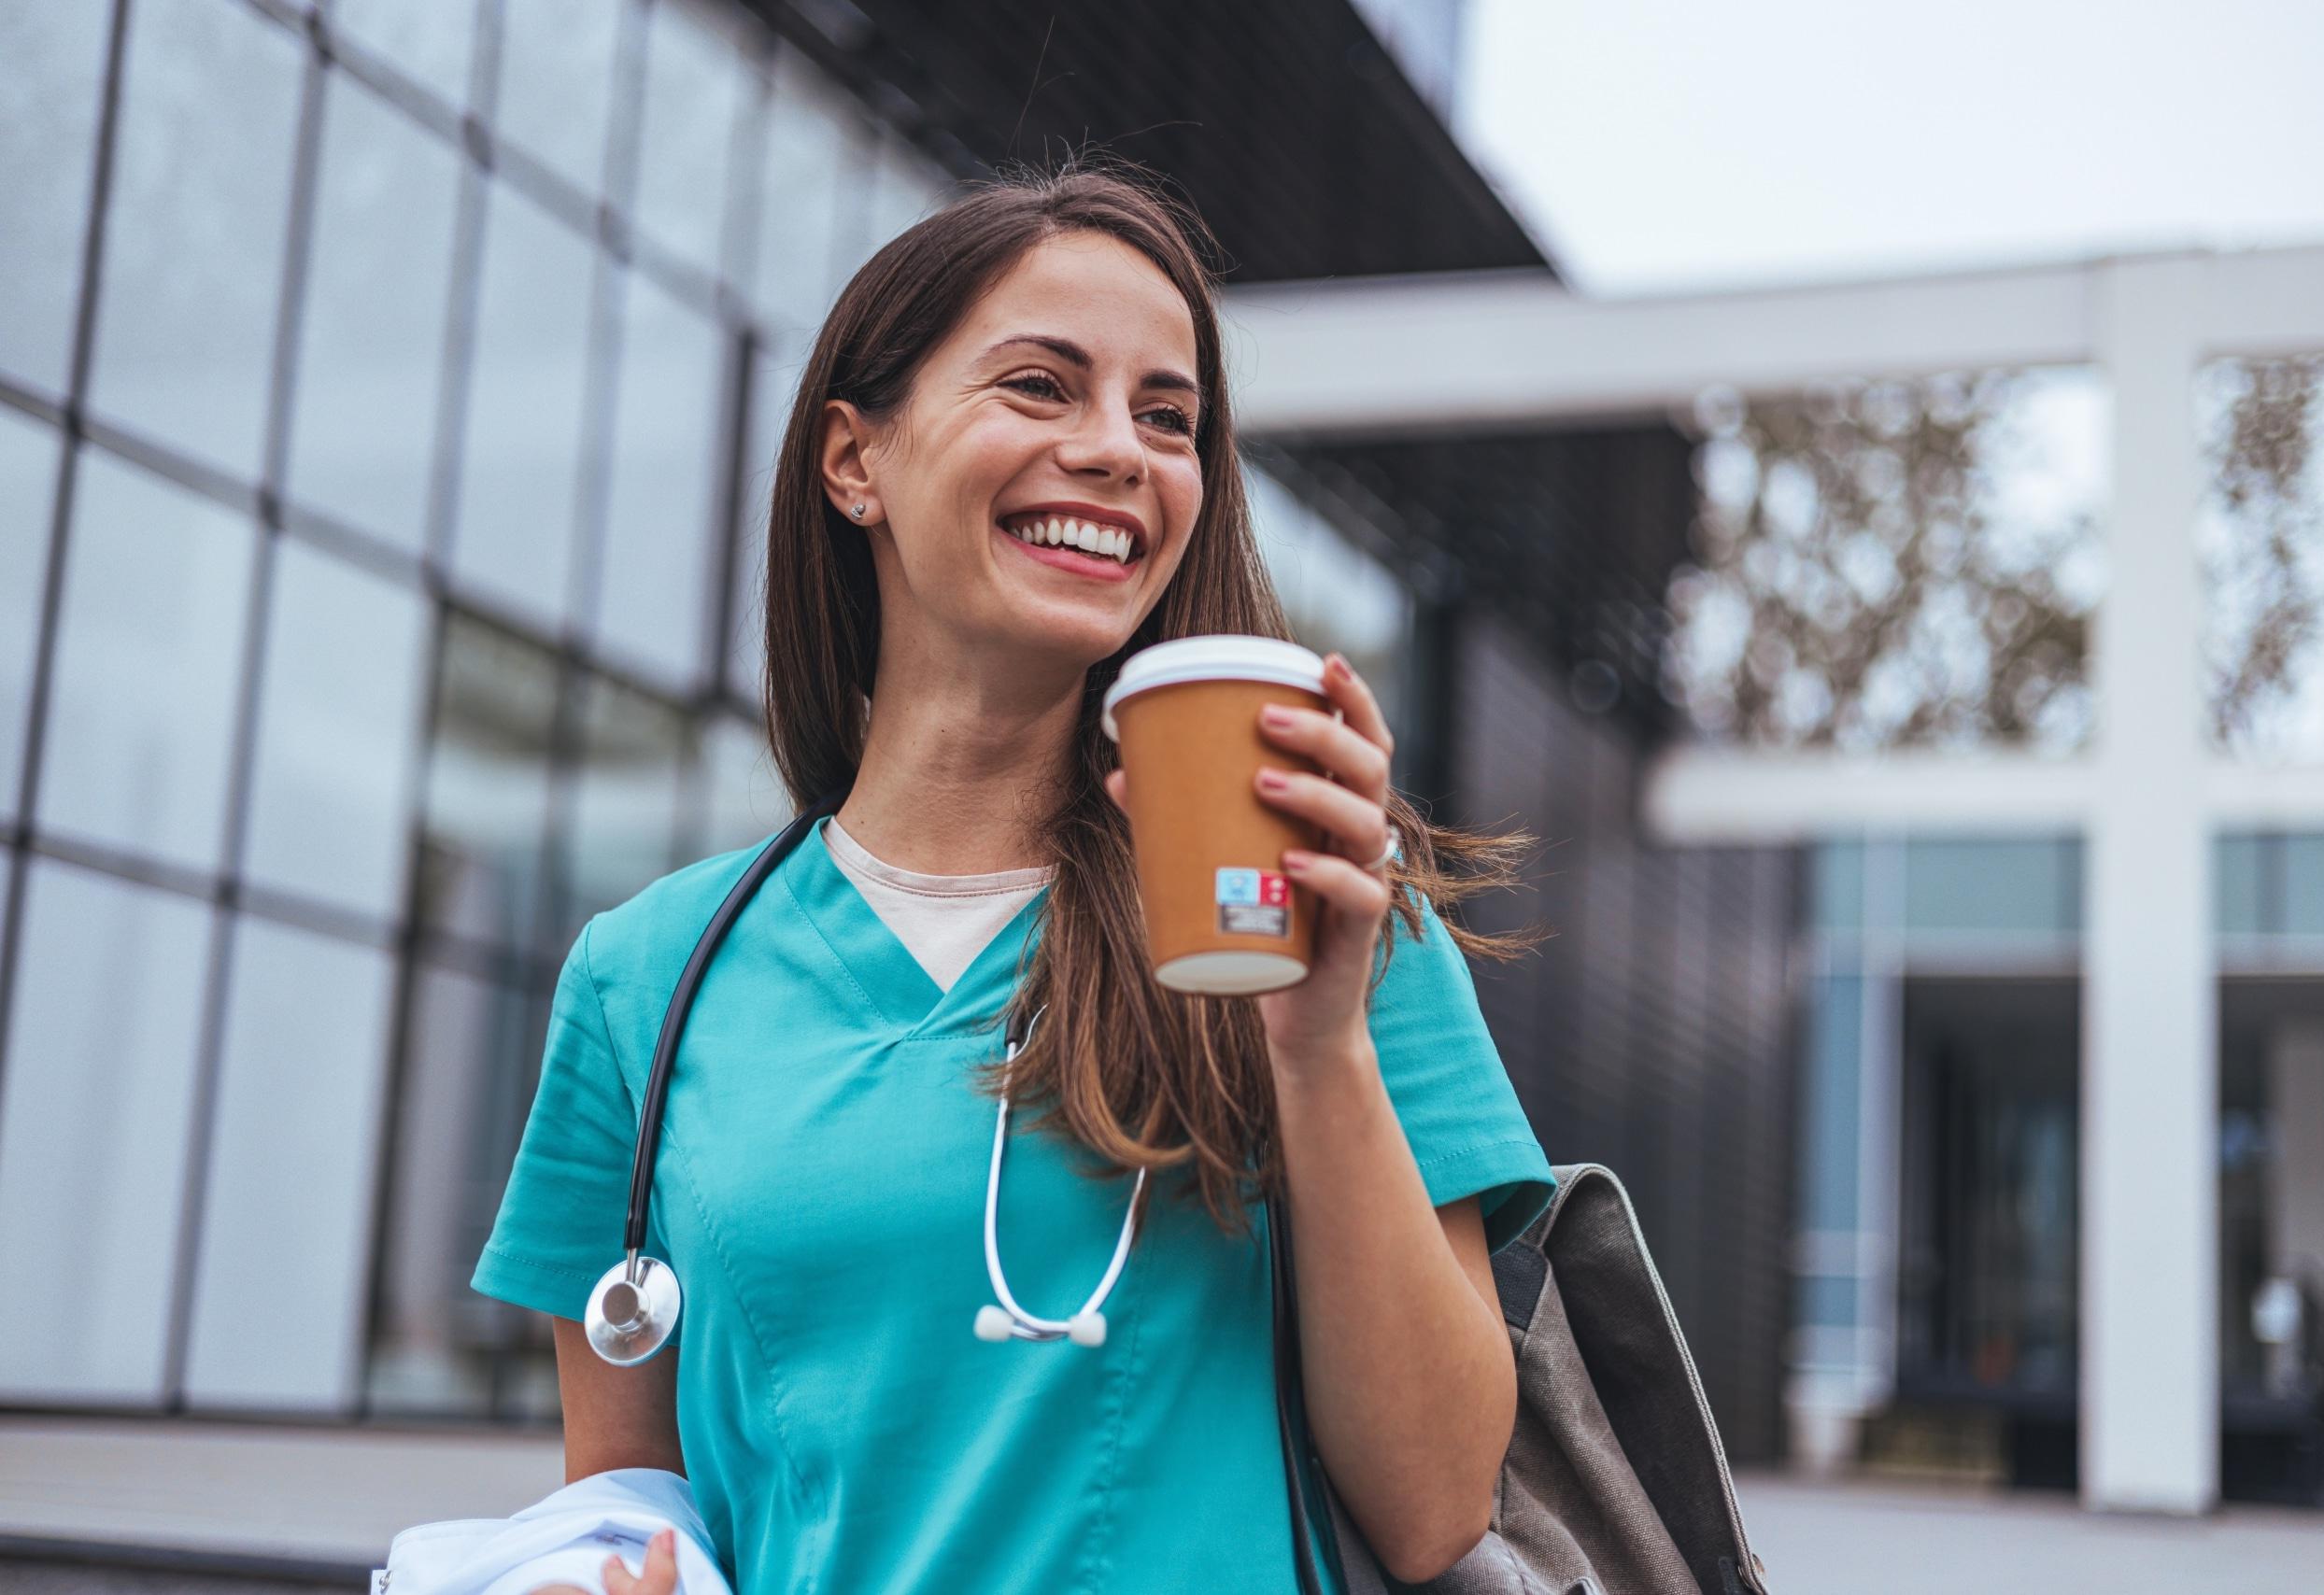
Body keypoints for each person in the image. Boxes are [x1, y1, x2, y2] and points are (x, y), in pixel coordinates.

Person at [474, 161, 1555, 1595]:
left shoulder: (1312, 908)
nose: (1120, 449)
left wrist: (1319, 1047)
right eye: (1042, 387)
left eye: (1168, 417)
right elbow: (620, 1520)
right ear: (854, 461)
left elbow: (1436, 1508)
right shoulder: (642, 982)